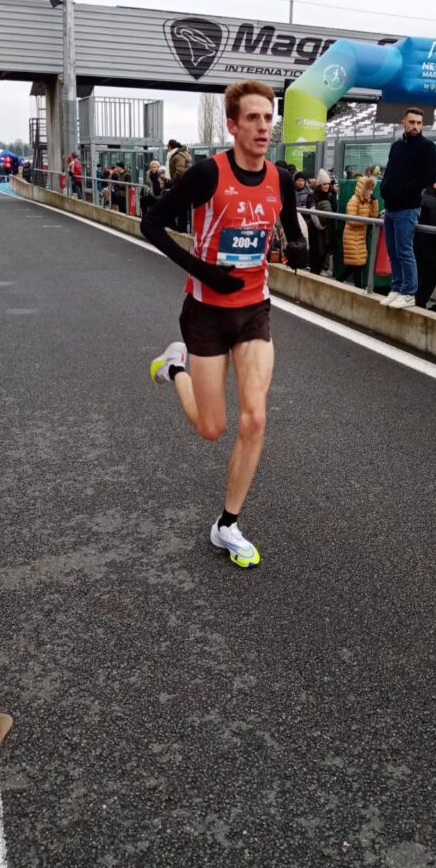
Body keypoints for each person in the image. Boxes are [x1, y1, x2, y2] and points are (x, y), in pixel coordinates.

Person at [141, 80, 307, 569]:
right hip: (206, 311)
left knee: (254, 418)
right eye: (252, 118)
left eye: (268, 118)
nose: (263, 127)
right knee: (212, 428)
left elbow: (291, 232)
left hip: (254, 309)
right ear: (232, 125)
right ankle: (175, 367)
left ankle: (227, 525)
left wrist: (300, 249)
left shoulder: (280, 179)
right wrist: (202, 270)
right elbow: (151, 223)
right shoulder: (207, 174)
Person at [379, 107, 436, 309]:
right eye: (412, 122)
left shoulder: (427, 147)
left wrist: (404, 189)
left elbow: (430, 176)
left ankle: (409, 292)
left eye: (419, 123)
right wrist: (385, 189)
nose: (415, 126)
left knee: (405, 251)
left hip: (408, 207)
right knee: (393, 251)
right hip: (391, 206)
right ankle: (396, 288)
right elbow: (390, 171)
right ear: (403, 123)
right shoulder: (397, 146)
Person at [414, 174, 436, 308]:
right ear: (435, 185)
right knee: (428, 281)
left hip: (418, 247)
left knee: (418, 278)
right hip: (431, 251)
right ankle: (420, 306)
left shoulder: (421, 199)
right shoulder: (435, 203)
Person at [339, 175, 379, 288]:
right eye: (369, 188)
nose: (371, 191)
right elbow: (351, 220)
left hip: (360, 236)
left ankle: (343, 282)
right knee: (356, 264)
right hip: (351, 236)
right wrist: (365, 222)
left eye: (372, 188)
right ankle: (355, 286)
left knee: (359, 263)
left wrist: (375, 201)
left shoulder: (366, 201)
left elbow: (373, 216)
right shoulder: (354, 200)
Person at [309, 169, 337, 275]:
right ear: (320, 185)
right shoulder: (313, 195)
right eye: (324, 184)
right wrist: (319, 225)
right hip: (316, 229)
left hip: (327, 229)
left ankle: (321, 270)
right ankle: (314, 272)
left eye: (328, 184)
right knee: (316, 252)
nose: (326, 186)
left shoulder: (331, 195)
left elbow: (334, 211)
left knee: (324, 251)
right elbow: (312, 211)